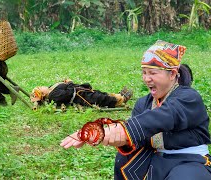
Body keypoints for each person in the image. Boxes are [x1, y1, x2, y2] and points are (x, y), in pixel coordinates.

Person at [60, 40, 211, 179]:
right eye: (144, 73)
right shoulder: (143, 103)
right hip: (157, 160)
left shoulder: (189, 98)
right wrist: (107, 136)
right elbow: (136, 138)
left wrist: (119, 130)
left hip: (189, 162)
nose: (146, 78)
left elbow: (163, 116)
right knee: (125, 159)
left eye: (152, 73)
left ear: (172, 73)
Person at [30, 79, 133, 108]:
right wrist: (69, 83)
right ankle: (121, 100)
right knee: (99, 98)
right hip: (81, 97)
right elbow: (68, 93)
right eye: (40, 89)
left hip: (81, 91)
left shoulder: (51, 88)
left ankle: (118, 95)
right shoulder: (53, 95)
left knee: (99, 93)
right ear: (43, 94)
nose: (41, 86)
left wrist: (65, 82)